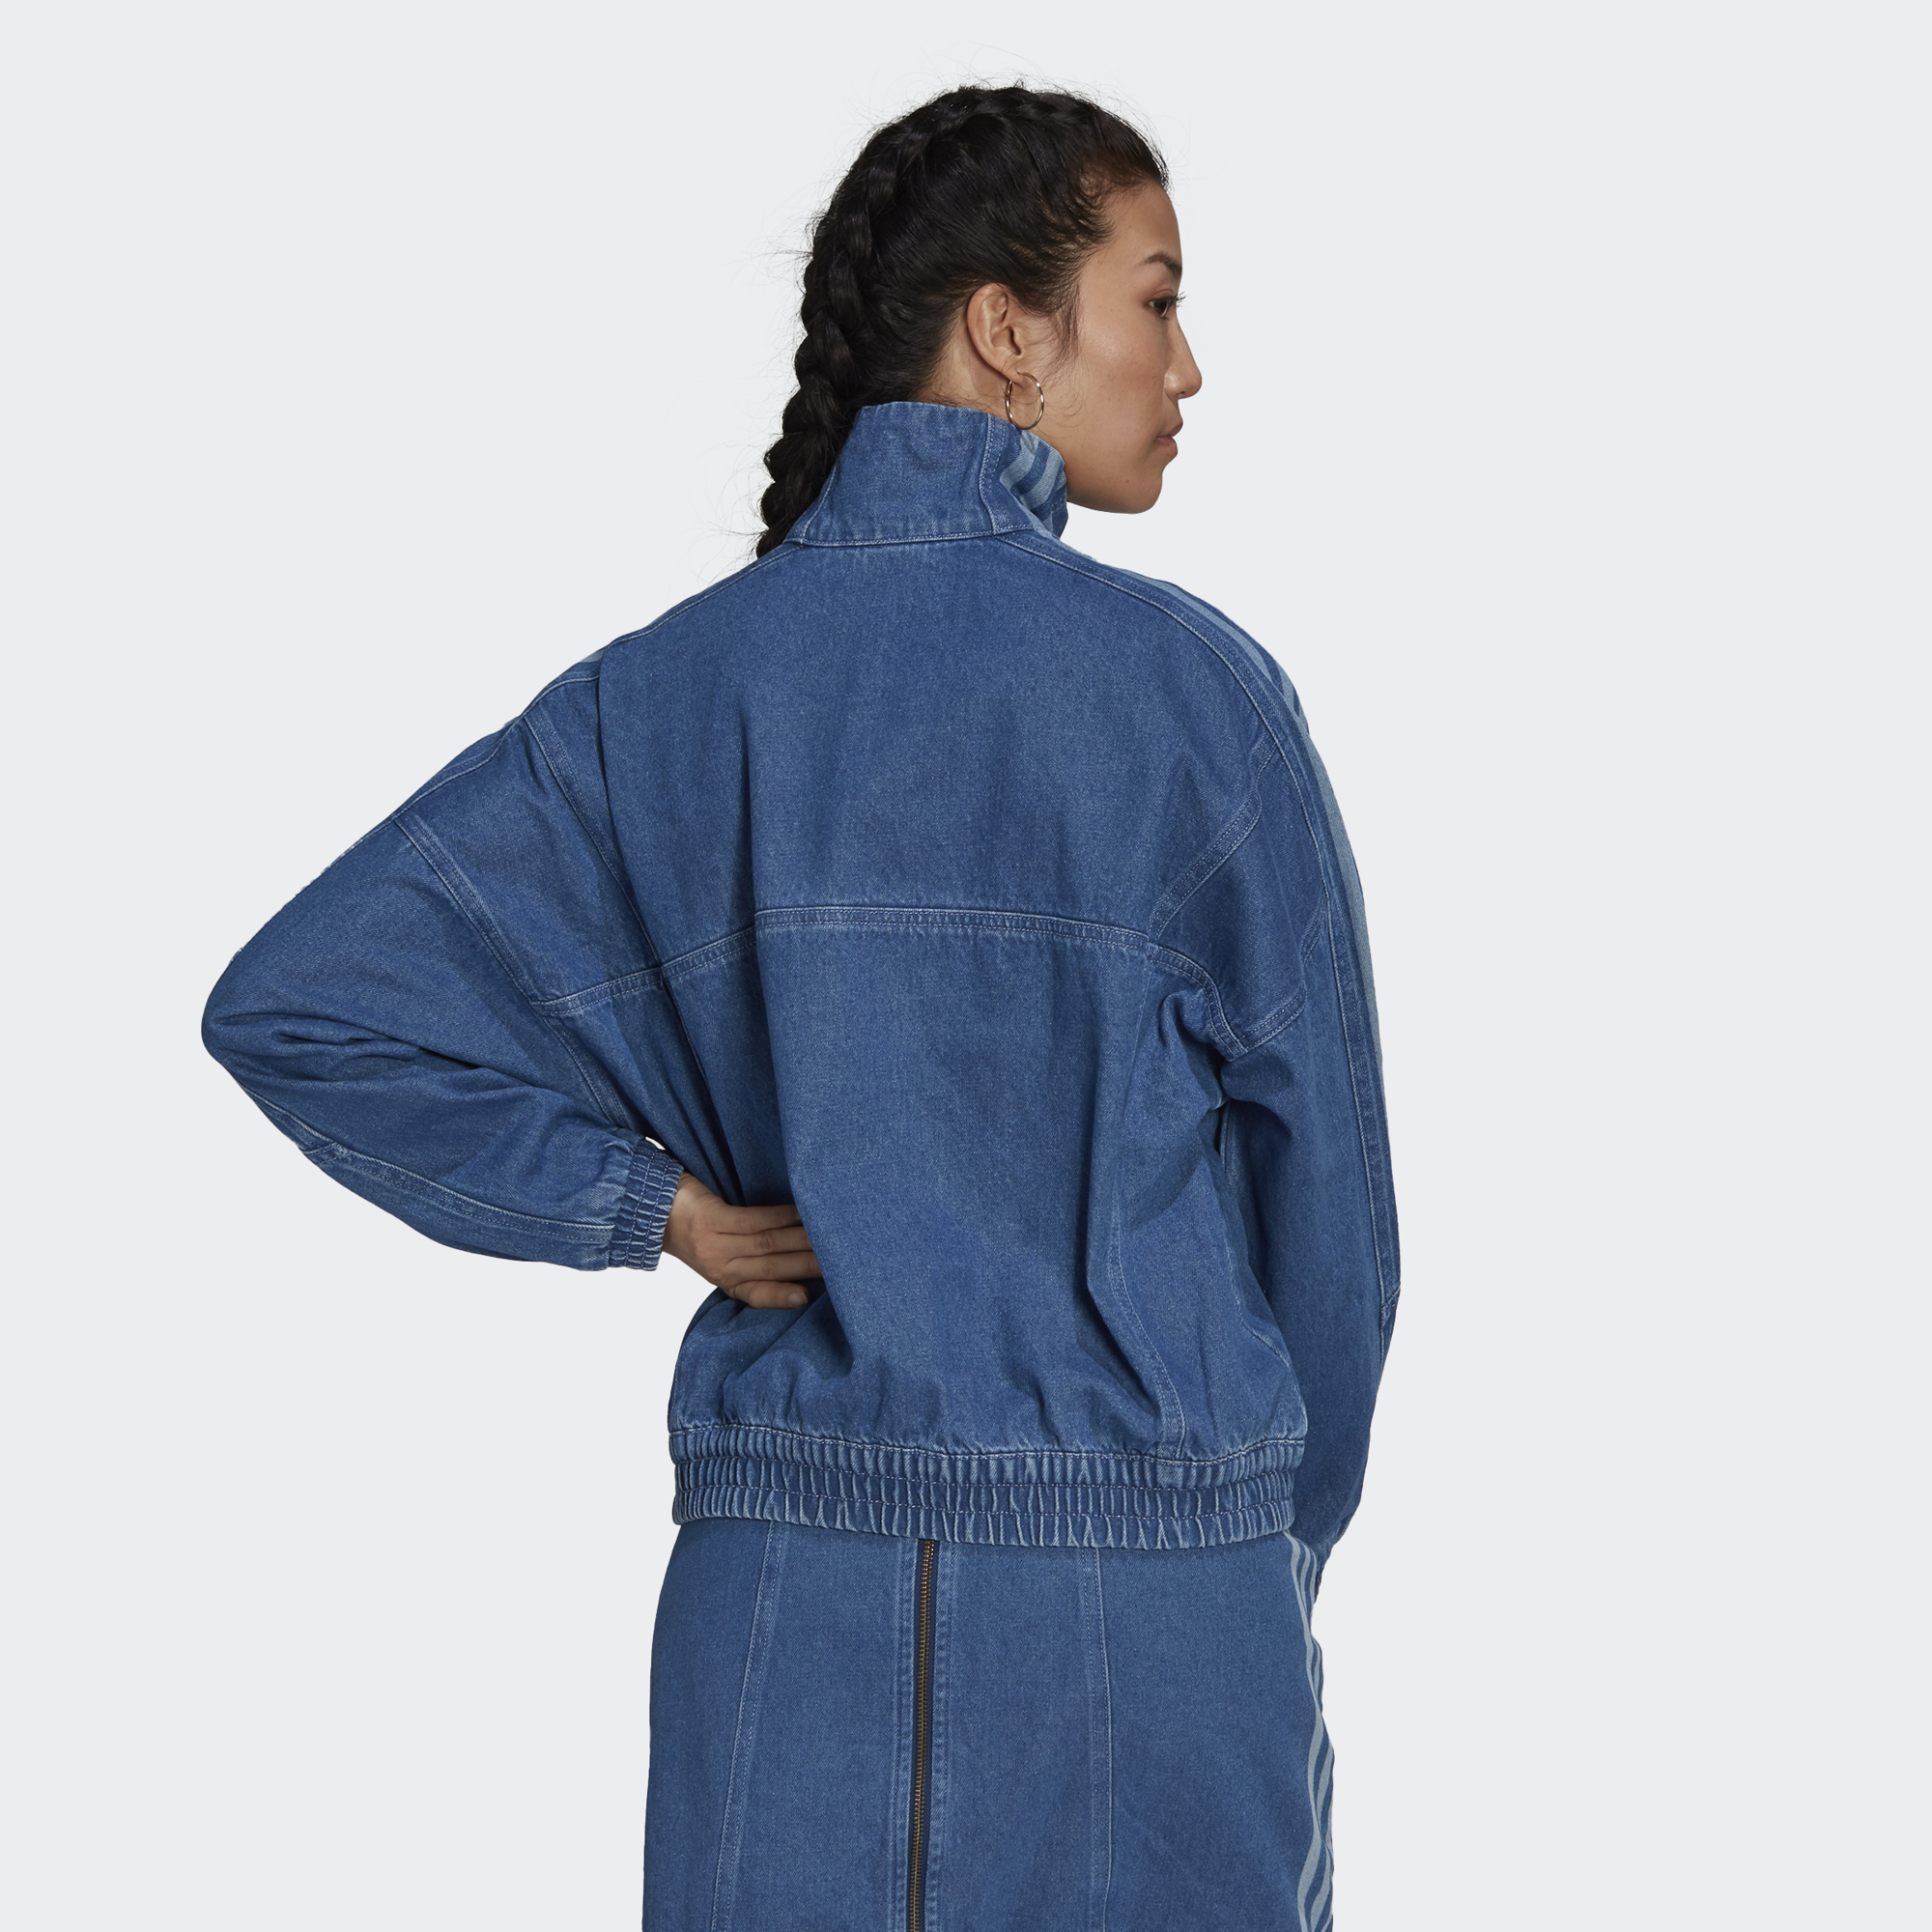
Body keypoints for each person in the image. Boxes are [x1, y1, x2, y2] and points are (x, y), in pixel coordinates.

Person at [202, 82, 1399, 1932]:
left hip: (791, 1615)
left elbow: (307, 1008)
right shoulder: (1195, 700)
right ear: (1008, 330)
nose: (1188, 366)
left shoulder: (667, 698)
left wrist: (655, 1208)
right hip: (1157, 1614)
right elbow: (1334, 1230)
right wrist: (1249, 1538)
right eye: (1157, 301)